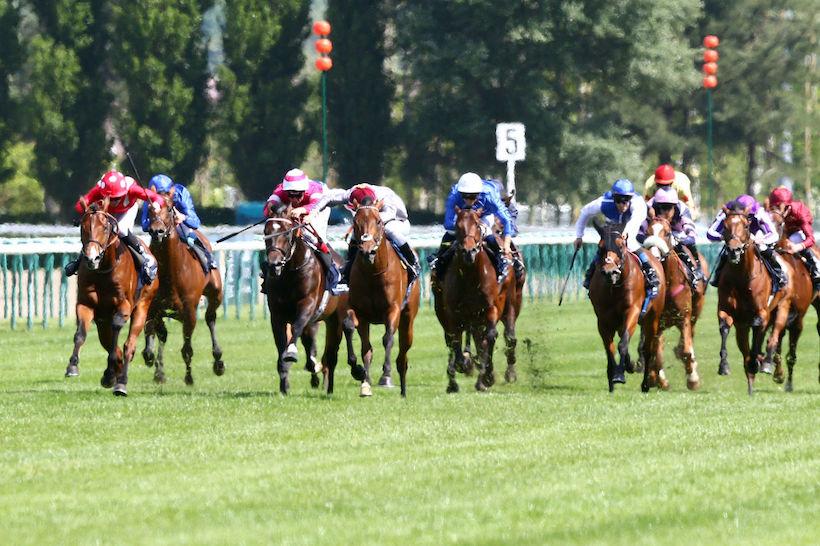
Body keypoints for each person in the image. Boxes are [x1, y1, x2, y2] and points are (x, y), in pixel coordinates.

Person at [310, 183, 420, 288]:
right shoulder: (350, 194)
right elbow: (327, 198)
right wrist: (312, 212)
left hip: (396, 221)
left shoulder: (385, 197)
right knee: (356, 234)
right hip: (370, 222)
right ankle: (349, 270)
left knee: (389, 230)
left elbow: (390, 214)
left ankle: (412, 261)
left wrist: (368, 219)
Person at [65, 170, 163, 284]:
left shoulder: (132, 189)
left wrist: (156, 204)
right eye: (110, 198)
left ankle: (146, 257)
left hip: (127, 209)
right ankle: (79, 260)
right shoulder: (98, 190)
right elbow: (80, 205)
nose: (114, 201)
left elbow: (157, 198)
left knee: (121, 229)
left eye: (117, 198)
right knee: (96, 231)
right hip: (107, 212)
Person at [574, 178, 660, 299]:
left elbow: (635, 220)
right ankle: (590, 275)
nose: (622, 204)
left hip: (631, 224)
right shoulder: (603, 202)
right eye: (618, 200)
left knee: (630, 243)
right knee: (604, 246)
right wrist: (579, 236)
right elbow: (584, 213)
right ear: (613, 198)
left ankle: (650, 272)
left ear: (631, 198)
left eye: (626, 200)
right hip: (612, 227)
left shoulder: (638, 203)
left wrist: (626, 232)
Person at [261, 168, 341, 293]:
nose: (294, 199)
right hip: (297, 210)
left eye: (298, 194)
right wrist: (271, 209)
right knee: (278, 237)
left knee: (313, 237)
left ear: (304, 190)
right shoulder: (280, 190)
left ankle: (333, 275)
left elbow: (318, 205)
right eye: (290, 195)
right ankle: (268, 275)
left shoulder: (314, 190)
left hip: (319, 207)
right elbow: (268, 208)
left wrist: (303, 210)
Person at [428, 172, 513, 283]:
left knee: (487, 233)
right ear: (460, 193)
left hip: (484, 216)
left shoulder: (489, 195)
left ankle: (500, 263)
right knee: (450, 233)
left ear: (479, 193)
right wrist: (465, 228)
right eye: (465, 196)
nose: (469, 200)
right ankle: (439, 261)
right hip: (464, 218)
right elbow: (448, 223)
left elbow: (506, 220)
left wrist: (506, 244)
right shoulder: (454, 195)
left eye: (473, 196)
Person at [706, 194, 785, 290]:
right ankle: (718, 276)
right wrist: (723, 237)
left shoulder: (758, 211)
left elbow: (774, 234)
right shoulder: (728, 211)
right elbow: (710, 233)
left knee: (762, 248)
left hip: (755, 234)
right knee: (728, 250)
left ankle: (778, 273)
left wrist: (761, 240)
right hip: (735, 236)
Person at [140, 174, 215, 271]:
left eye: (166, 194)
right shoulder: (149, 199)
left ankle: (208, 259)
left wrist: (183, 217)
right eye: (158, 195)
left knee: (189, 235)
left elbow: (195, 223)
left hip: (180, 225)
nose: (161, 198)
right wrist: (154, 216)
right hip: (160, 228)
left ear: (171, 192)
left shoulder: (181, 194)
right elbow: (144, 226)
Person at [641, 189, 704, 285]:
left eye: (669, 207)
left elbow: (689, 225)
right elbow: (641, 228)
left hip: (676, 231)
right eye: (662, 207)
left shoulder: (682, 208)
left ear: (674, 206)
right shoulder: (649, 207)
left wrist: (690, 236)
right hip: (656, 233)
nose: (666, 211)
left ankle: (696, 268)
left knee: (686, 243)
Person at [766, 186, 820, 290]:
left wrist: (797, 247)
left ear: (786, 206)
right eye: (772, 208)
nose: (774, 211)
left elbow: (811, 239)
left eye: (777, 207)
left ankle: (816, 268)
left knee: (797, 237)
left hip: (798, 231)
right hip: (785, 232)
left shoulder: (799, 212)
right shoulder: (774, 213)